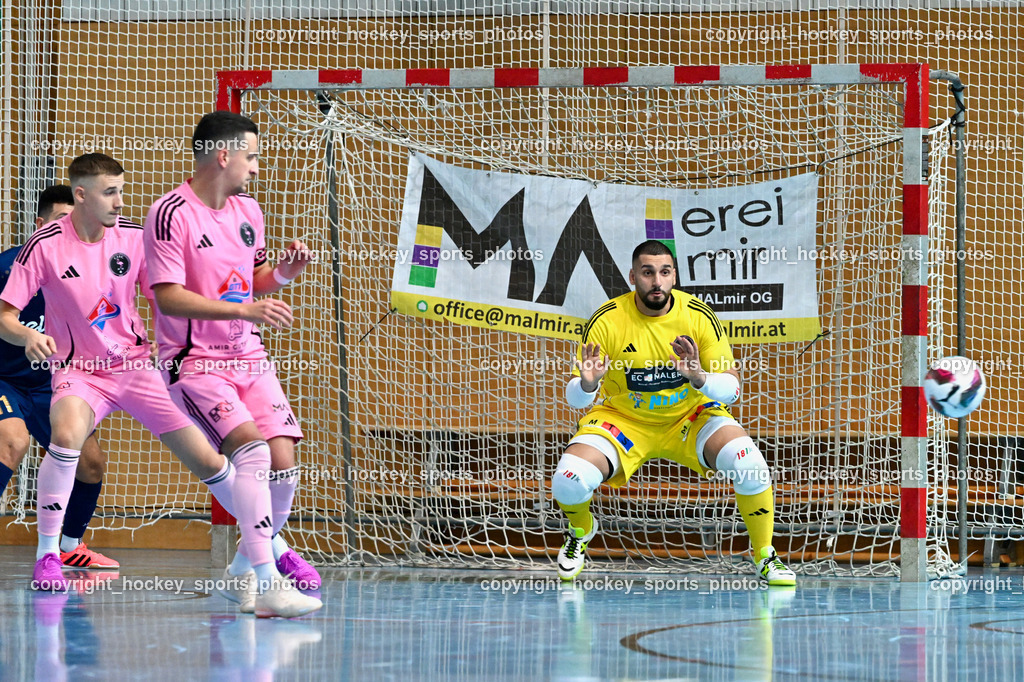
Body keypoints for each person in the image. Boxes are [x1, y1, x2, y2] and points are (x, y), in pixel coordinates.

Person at [0, 153, 320, 617]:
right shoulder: (44, 244)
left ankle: (272, 544)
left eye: (121, 190)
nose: (119, 201)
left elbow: (167, 298)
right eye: (110, 192)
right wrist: (28, 336)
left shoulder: (133, 237)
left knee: (209, 459)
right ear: (81, 195)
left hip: (135, 367)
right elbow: (6, 316)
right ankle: (48, 554)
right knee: (66, 436)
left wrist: (251, 297)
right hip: (79, 369)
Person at [143, 111, 320, 591]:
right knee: (253, 454)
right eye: (252, 156)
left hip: (249, 357)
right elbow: (167, 297)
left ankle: (242, 567)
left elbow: (253, 280)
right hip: (196, 362)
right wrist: (243, 310)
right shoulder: (170, 213)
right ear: (224, 155)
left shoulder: (249, 211)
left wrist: (283, 273)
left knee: (285, 465)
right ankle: (267, 579)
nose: (256, 167)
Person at [551, 239, 796, 586]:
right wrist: (588, 384)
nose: (657, 281)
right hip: (624, 422)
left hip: (691, 418)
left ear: (674, 276)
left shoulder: (698, 315)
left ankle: (764, 555)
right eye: (648, 272)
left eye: (665, 272)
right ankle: (581, 529)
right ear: (633, 276)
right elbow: (576, 399)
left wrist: (699, 378)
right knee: (568, 480)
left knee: (751, 465)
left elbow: (733, 390)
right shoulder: (606, 320)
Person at [0, 185, 117, 569]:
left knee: (91, 463)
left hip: (54, 384)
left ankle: (69, 545)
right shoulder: (8, 268)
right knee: (12, 441)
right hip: (6, 381)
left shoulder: (89, 274)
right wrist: (27, 335)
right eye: (59, 221)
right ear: (39, 225)